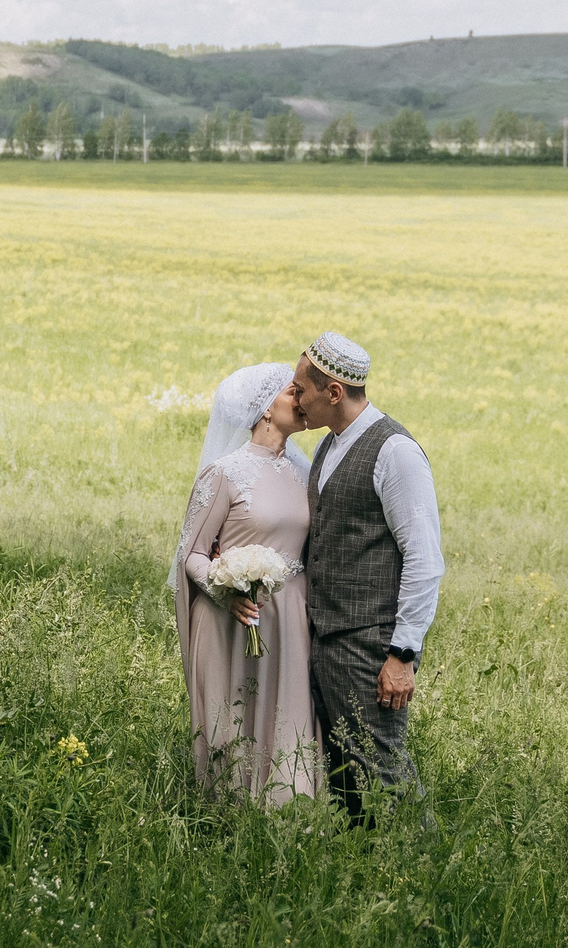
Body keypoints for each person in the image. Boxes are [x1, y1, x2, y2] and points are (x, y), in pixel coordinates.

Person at [291, 331, 442, 823]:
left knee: (387, 779)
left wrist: (402, 654)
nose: (295, 398)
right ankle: (366, 884)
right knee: (346, 784)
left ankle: (422, 872)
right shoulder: (329, 446)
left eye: (301, 389)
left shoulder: (394, 451)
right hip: (327, 640)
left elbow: (423, 558)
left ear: (333, 392)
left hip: (370, 646)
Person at [170, 362, 321, 805]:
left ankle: (289, 816)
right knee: (235, 722)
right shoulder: (225, 473)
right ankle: (228, 821)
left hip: (290, 617)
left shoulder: (304, 472)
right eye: (293, 392)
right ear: (265, 410)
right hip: (234, 618)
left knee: (288, 719)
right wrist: (226, 589)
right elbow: (191, 554)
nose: (303, 398)